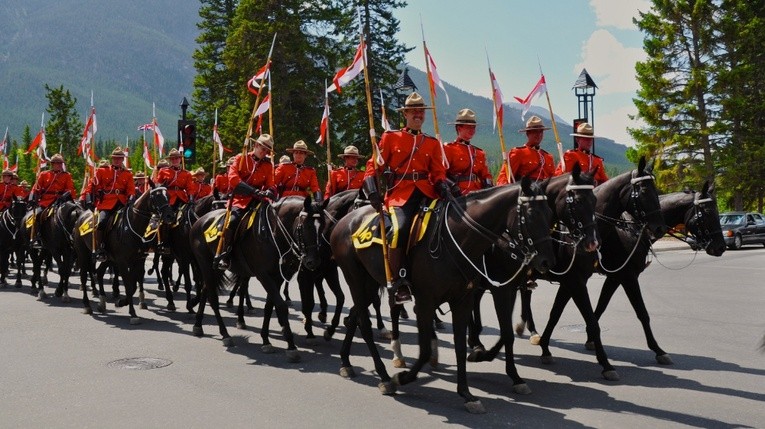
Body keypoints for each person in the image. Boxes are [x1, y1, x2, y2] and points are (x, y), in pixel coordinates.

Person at [363, 92, 448, 304]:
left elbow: (438, 172)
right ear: (406, 114)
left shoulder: (431, 142)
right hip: (401, 195)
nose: (418, 114)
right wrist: (372, 190)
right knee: (400, 228)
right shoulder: (391, 138)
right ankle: (398, 279)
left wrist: (443, 186)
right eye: (414, 111)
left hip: (427, 193)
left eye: (421, 111)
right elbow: (374, 166)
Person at [214, 134, 276, 270]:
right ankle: (226, 253)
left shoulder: (268, 165)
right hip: (240, 199)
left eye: (267, 150)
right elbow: (234, 180)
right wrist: (253, 191)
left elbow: (271, 183)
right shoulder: (241, 158)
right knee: (233, 221)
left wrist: (270, 191)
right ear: (256, 145)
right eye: (262, 148)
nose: (264, 152)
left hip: (259, 201)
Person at [90, 147, 135, 262]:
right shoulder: (102, 171)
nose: (117, 160)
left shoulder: (127, 174)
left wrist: (130, 198)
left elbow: (131, 190)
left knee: (133, 222)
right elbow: (93, 185)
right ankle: (101, 248)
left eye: (120, 158)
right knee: (101, 222)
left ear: (123, 160)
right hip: (107, 203)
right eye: (115, 158)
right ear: (112, 159)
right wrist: (93, 194)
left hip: (122, 203)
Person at [29, 153, 77, 248]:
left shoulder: (66, 175)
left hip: (60, 202)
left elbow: (70, 189)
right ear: (52, 164)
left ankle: (71, 236)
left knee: (72, 215)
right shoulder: (44, 174)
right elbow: (36, 188)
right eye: (56, 163)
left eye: (60, 163)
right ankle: (37, 236)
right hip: (46, 202)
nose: (59, 165)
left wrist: (64, 195)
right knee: (37, 215)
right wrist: (32, 198)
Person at [444, 109, 493, 194]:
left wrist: (488, 185)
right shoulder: (448, 149)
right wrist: (452, 187)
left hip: (478, 193)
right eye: (468, 127)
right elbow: (440, 174)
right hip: (458, 193)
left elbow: (486, 175)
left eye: (473, 127)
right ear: (459, 128)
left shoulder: (479, 152)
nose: (472, 130)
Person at [496, 115, 555, 185]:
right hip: (525, 192)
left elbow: (554, 180)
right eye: (535, 132)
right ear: (528, 133)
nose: (539, 135)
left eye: (541, 132)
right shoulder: (518, 153)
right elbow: (505, 177)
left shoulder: (547, 157)